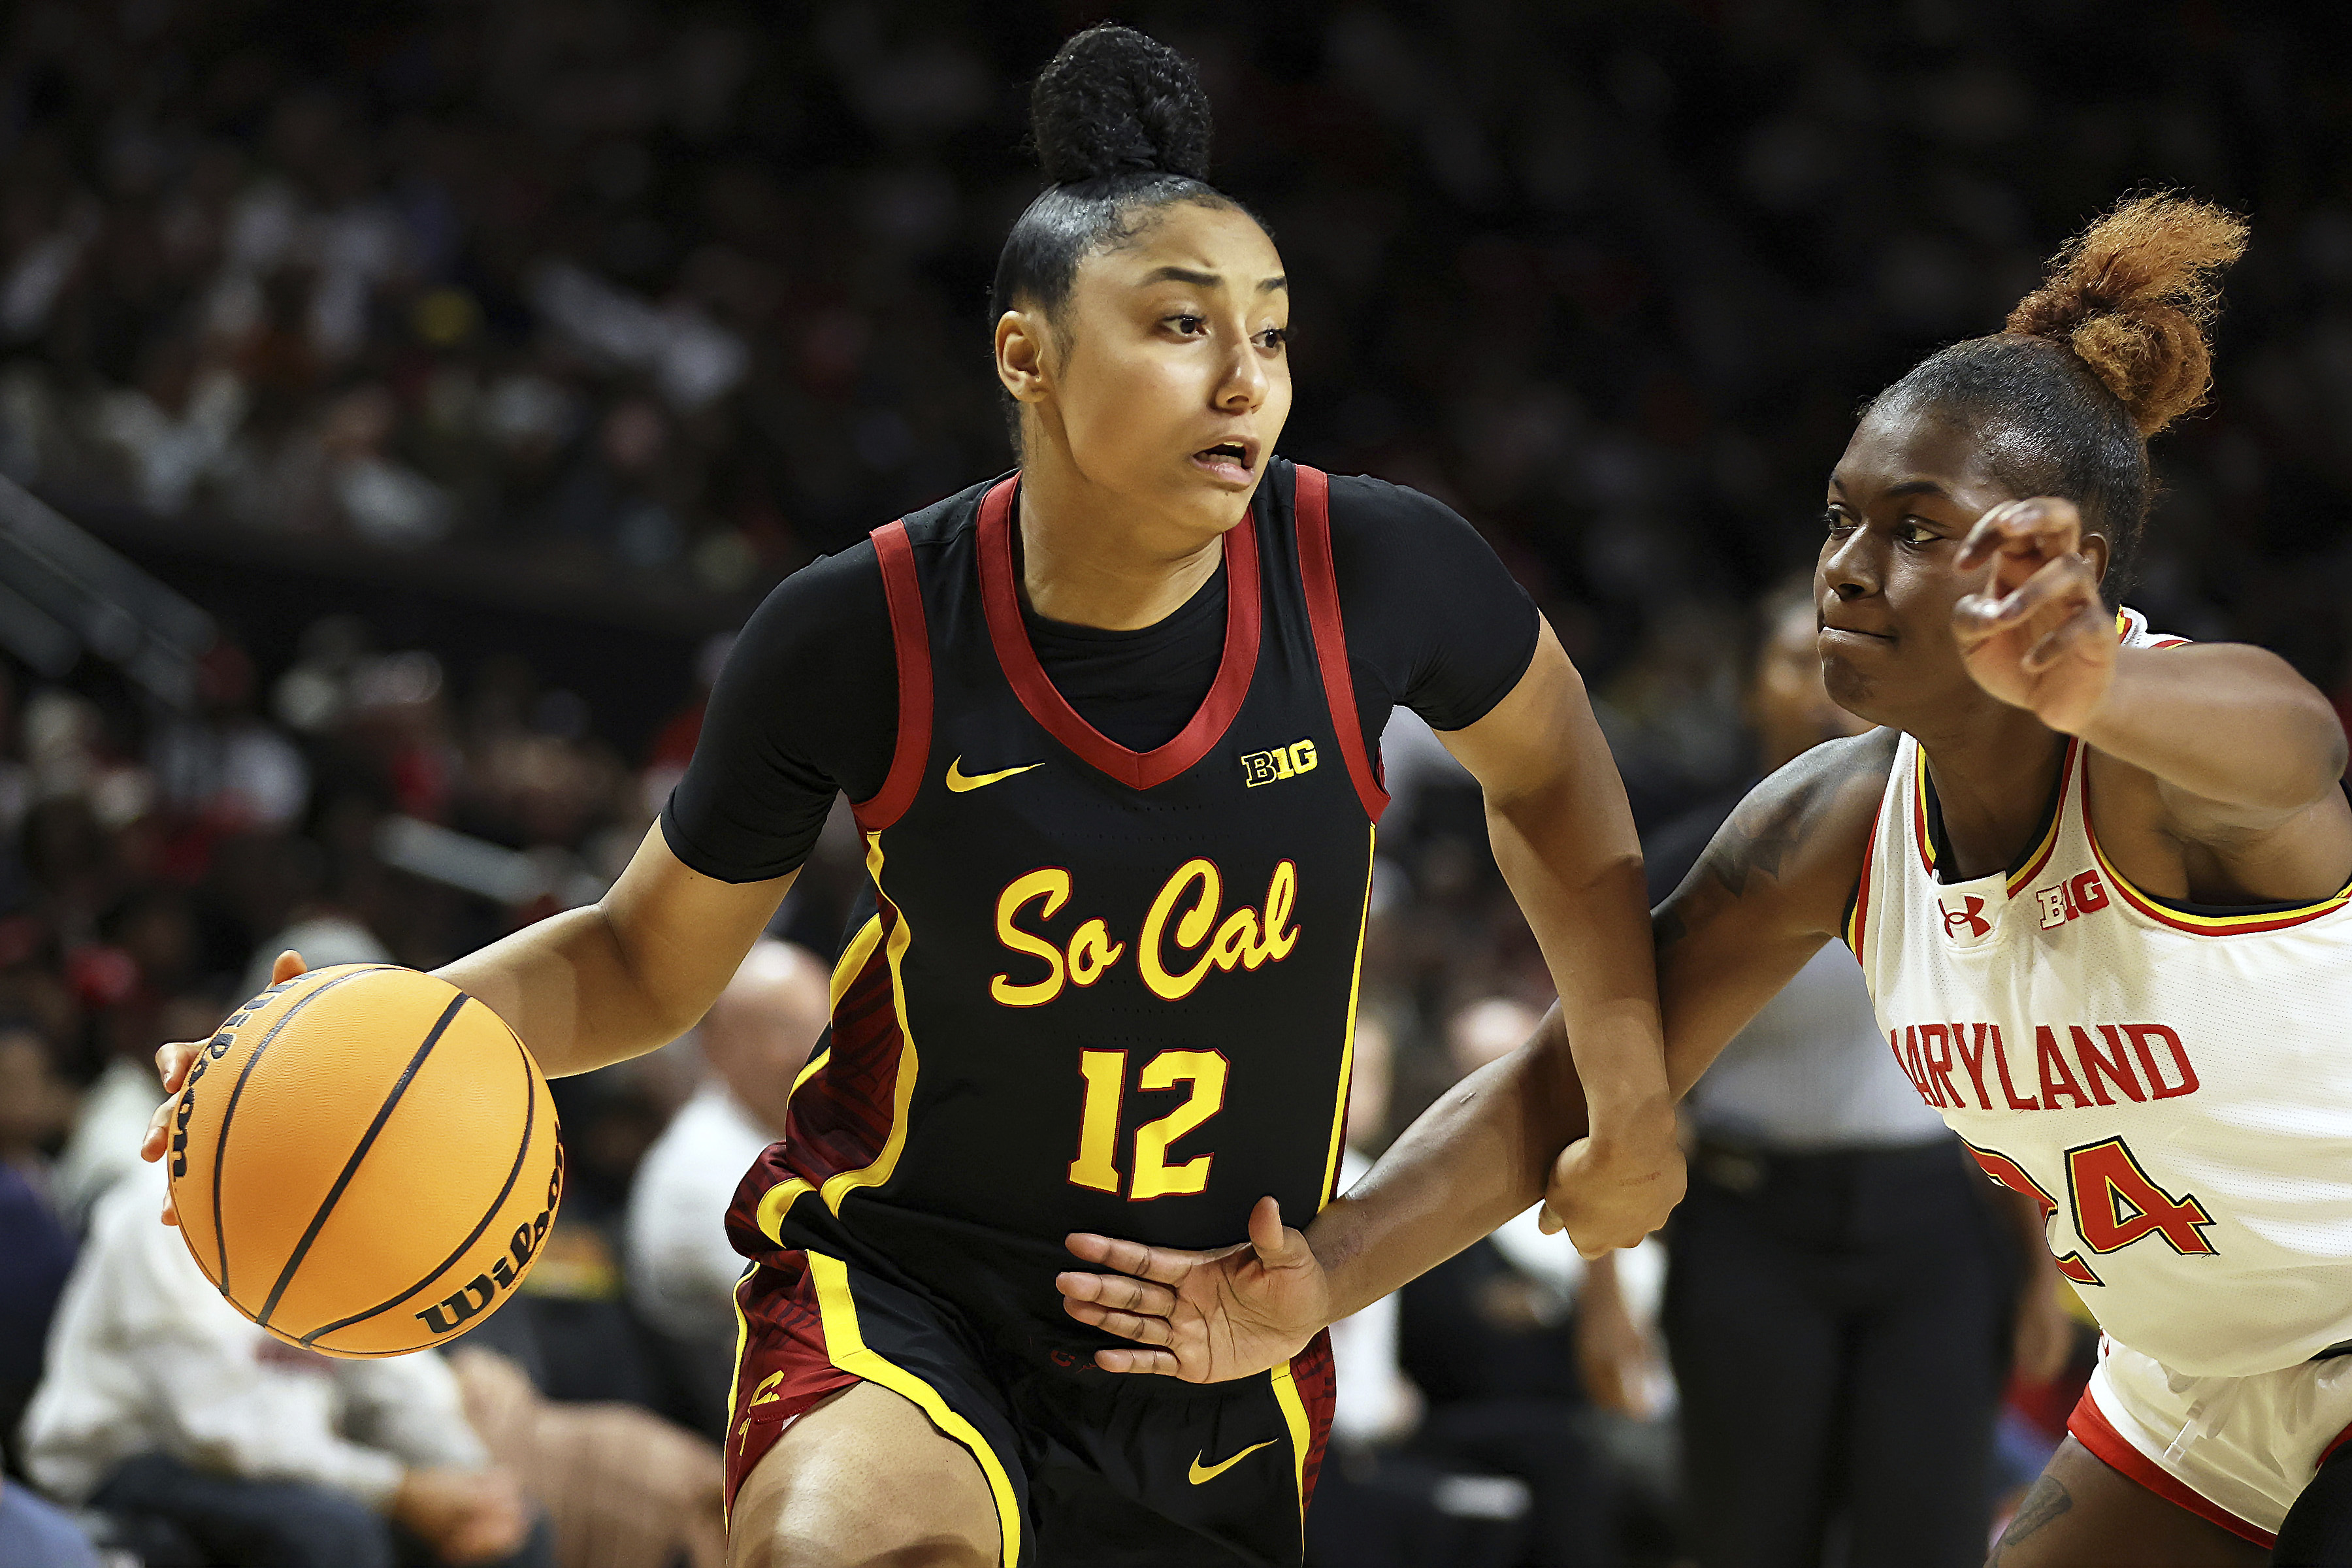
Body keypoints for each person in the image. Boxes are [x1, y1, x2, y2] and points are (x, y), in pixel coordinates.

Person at [144, 24, 1682, 1568]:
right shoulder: (860, 625)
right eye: (1178, 325)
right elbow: (635, 959)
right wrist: (337, 1051)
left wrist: (1627, 1098)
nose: (1245, 381)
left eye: (1271, 337)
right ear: (1028, 353)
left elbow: (1554, 778)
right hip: (903, 1295)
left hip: (1217, 1331)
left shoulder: (1376, 567)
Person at [1054, 195, 2352, 1566]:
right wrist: (1333, 1271)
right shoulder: (1837, 824)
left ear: (2073, 568)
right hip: (2190, 1385)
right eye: (1842, 519)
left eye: (1918, 531)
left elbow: (2297, 744)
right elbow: (1581, 1075)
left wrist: (2091, 679)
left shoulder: (2167, 769)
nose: (1847, 572)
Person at [1641, 583, 2072, 1567]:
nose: (1827, 687)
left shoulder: (1961, 856)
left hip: (1934, 1230)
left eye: (1852, 663)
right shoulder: (1683, 864)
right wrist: (1600, 1304)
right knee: (1747, 1536)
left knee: (1927, 1534)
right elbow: (1622, 1096)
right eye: (1796, 660)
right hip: (1748, 1228)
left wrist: (2041, 1276)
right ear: (1748, 689)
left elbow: (2004, 1087)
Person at [23, 1156, 553, 1568]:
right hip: (132, 1461)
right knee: (334, 1533)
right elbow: (218, 1429)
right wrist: (402, 1490)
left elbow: (399, 1380)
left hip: (286, 1465)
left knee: (520, 1526)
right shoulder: (166, 1209)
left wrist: (470, 1484)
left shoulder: (339, 1214)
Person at [625, 938, 830, 1429]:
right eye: (792, 1032)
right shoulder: (697, 1171)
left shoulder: (809, 1138)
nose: (817, 1052)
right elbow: (819, 1309)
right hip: (747, 1431)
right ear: (720, 1046)